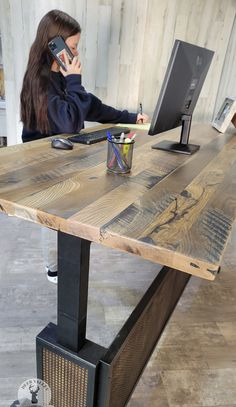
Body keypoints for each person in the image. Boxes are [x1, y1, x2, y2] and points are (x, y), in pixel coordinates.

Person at [20, 9, 149, 283]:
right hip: (42, 163)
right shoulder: (39, 81)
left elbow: (88, 105)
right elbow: (69, 121)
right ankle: (53, 266)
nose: (77, 53)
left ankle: (76, 245)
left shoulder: (61, 77)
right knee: (53, 218)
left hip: (63, 155)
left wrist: (129, 117)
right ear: (54, 45)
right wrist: (74, 79)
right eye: (74, 46)